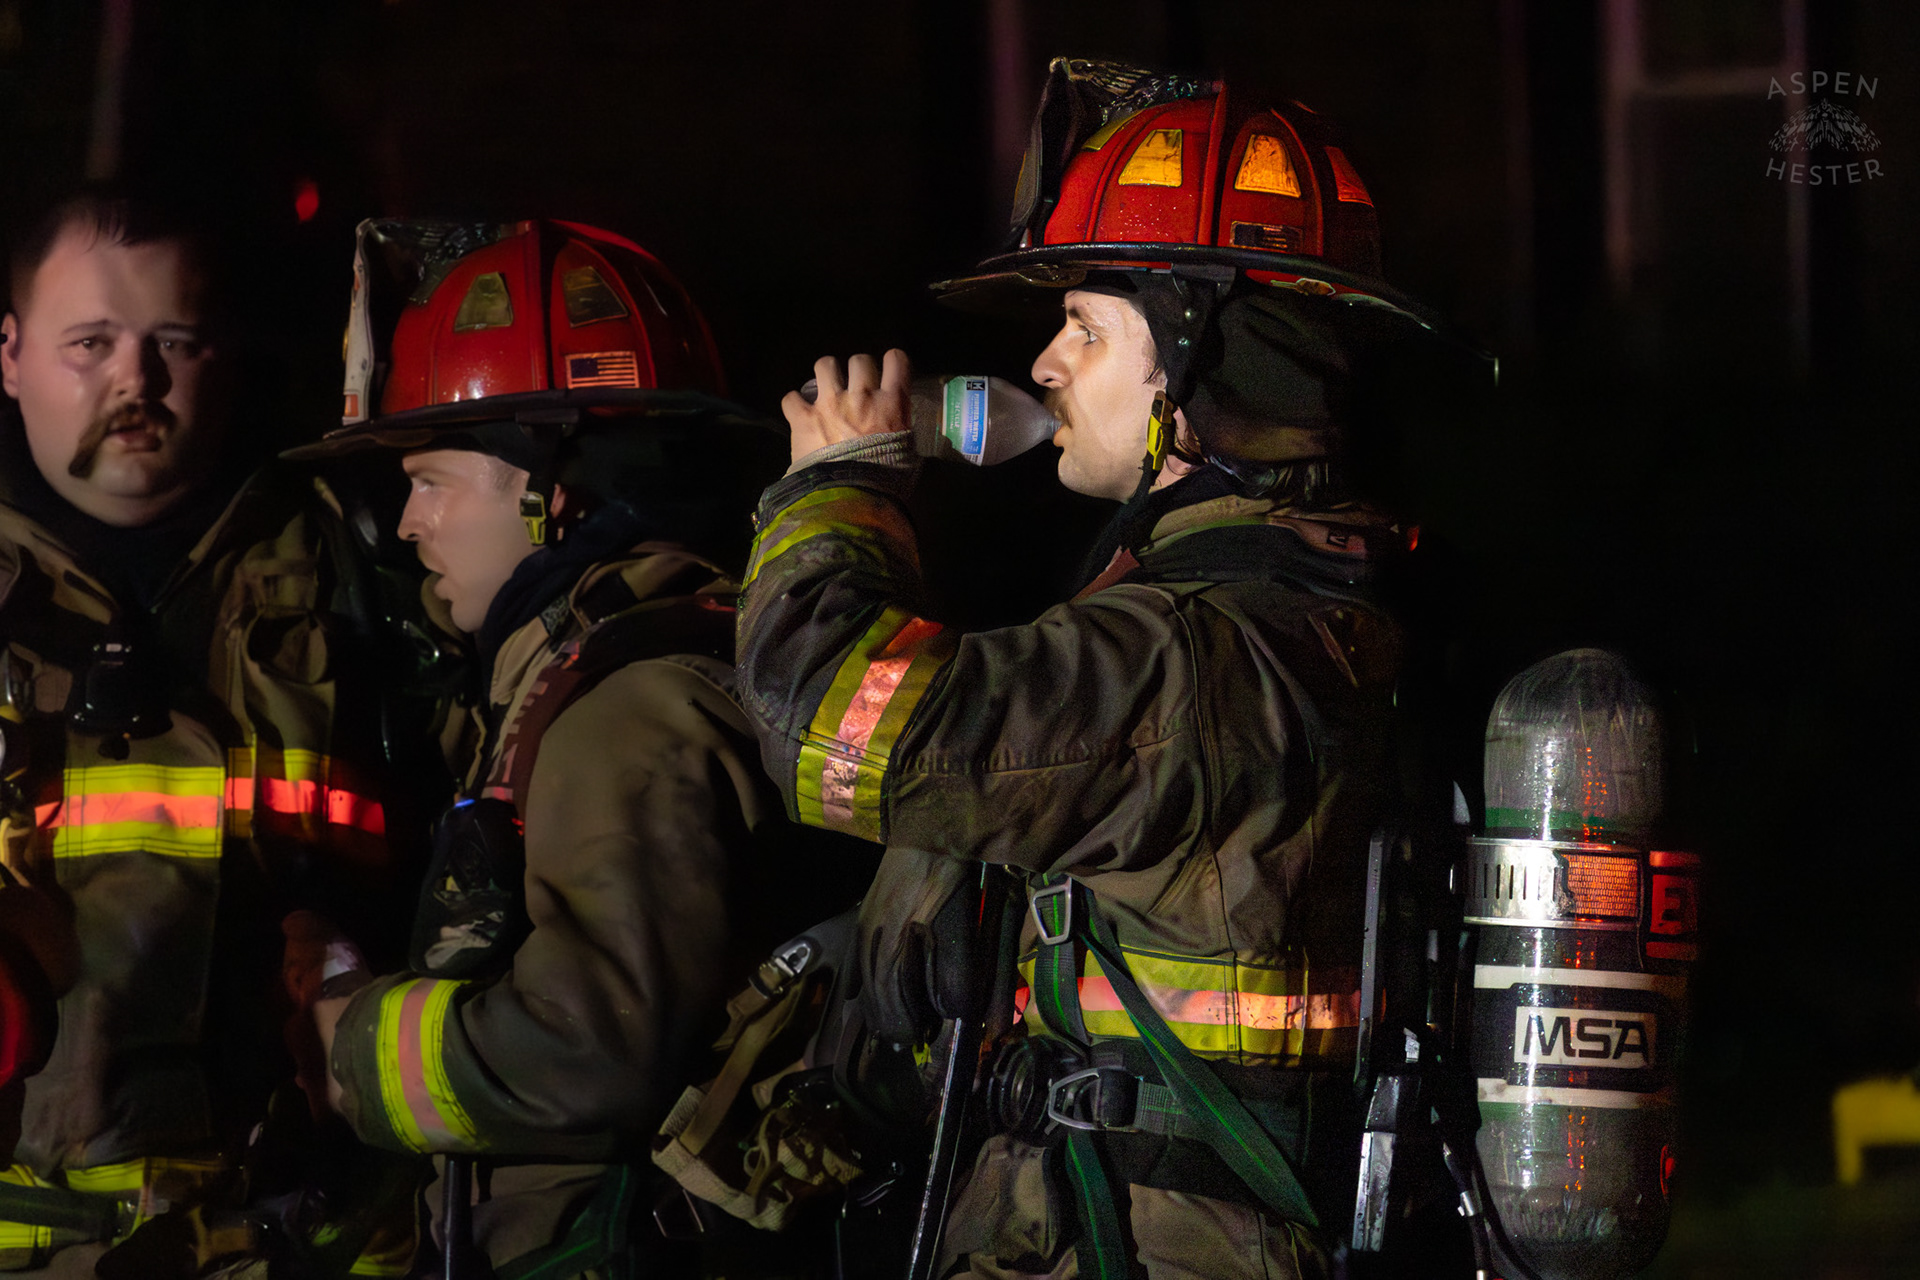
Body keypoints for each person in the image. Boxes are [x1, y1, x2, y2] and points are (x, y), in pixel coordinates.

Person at [732, 61, 1483, 1279]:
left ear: (1195, 363)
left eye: (1085, 325)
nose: (1044, 364)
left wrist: (836, 494)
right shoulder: (1320, 611)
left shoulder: (1187, 661)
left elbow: (833, 728)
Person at [298, 219, 859, 1279]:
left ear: (547, 495)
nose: (410, 523)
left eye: (431, 480)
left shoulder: (628, 712)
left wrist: (350, 1045)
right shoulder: (577, 675)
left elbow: (589, 1048)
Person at [0, 191, 429, 1277]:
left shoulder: (375, 583)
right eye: (89, 342)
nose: (133, 382)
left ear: (227, 355)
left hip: (307, 1235)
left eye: (173, 343)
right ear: (9, 357)